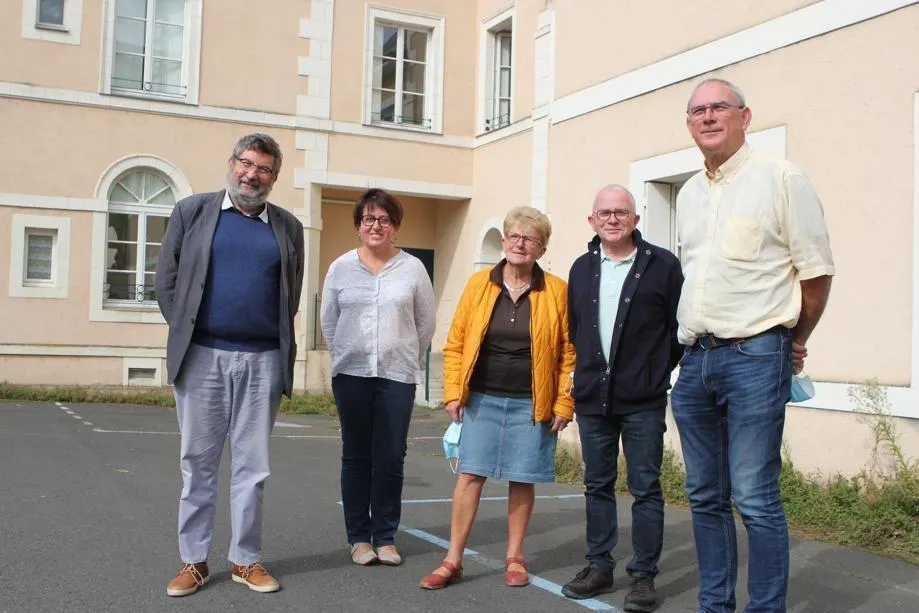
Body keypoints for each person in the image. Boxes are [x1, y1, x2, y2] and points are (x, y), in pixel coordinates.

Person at [672, 78, 834, 613]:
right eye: (698, 110)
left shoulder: (781, 178)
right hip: (695, 361)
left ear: (745, 117)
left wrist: (794, 340)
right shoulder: (689, 194)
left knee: (755, 497)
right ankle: (715, 605)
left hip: (756, 355)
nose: (708, 116)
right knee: (704, 496)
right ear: (689, 124)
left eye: (719, 107)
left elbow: (816, 273)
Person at [155, 133, 305, 596]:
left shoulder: (288, 226)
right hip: (202, 355)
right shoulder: (192, 212)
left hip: (263, 360)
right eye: (246, 163)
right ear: (232, 162)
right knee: (197, 465)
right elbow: (166, 281)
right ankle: (194, 561)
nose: (251, 174)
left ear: (274, 177)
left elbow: (291, 292)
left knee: (252, 469)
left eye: (263, 168)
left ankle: (245, 560)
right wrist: (188, 328)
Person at [418, 206, 576, 590]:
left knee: (522, 479)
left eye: (530, 239)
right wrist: (452, 392)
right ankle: (453, 559)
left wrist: (563, 402)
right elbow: (456, 344)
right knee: (470, 476)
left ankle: (515, 557)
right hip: (481, 399)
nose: (521, 244)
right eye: (515, 236)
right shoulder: (479, 285)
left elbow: (569, 353)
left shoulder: (557, 291)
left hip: (531, 402)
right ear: (504, 241)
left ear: (541, 249)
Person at [562, 185, 683, 612]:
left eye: (621, 212)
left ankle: (643, 577)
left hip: (643, 399)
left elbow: (678, 330)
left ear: (635, 219)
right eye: (605, 213)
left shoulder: (662, 265)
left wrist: (653, 371)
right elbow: (576, 328)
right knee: (597, 485)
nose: (613, 219)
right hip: (593, 397)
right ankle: (599, 566)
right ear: (592, 220)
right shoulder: (581, 268)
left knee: (645, 488)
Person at [320, 188, 436, 567]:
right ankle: (358, 538)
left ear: (395, 227)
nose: (376, 225)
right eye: (369, 219)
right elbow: (329, 321)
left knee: (390, 458)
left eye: (384, 220)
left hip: (397, 376)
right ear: (358, 225)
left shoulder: (412, 269)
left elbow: (425, 323)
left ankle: (385, 537)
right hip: (351, 375)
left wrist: (403, 353)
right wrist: (346, 354)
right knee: (356, 456)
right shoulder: (340, 268)